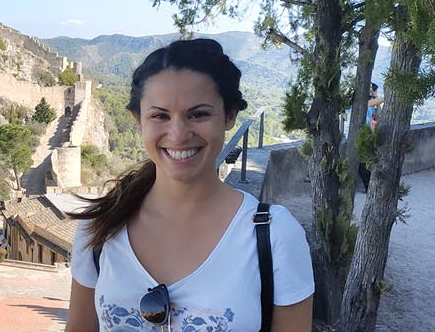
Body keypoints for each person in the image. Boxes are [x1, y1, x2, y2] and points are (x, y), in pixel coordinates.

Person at [65, 39, 315, 332]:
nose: (179, 134)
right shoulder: (99, 228)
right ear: (138, 121)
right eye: (160, 115)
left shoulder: (275, 236)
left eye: (198, 114)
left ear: (230, 116)